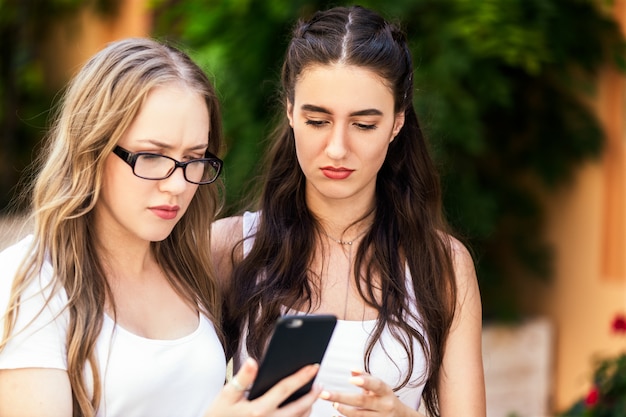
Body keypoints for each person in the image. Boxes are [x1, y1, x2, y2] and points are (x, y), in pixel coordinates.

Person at [0, 37, 320, 417]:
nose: (178, 185)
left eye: (194, 158)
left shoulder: (190, 269)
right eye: (152, 156)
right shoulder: (31, 283)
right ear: (91, 149)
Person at [212, 5, 486, 417]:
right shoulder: (231, 247)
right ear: (290, 112)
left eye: (363, 124)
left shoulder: (443, 266)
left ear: (397, 123)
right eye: (318, 120)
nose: (338, 148)